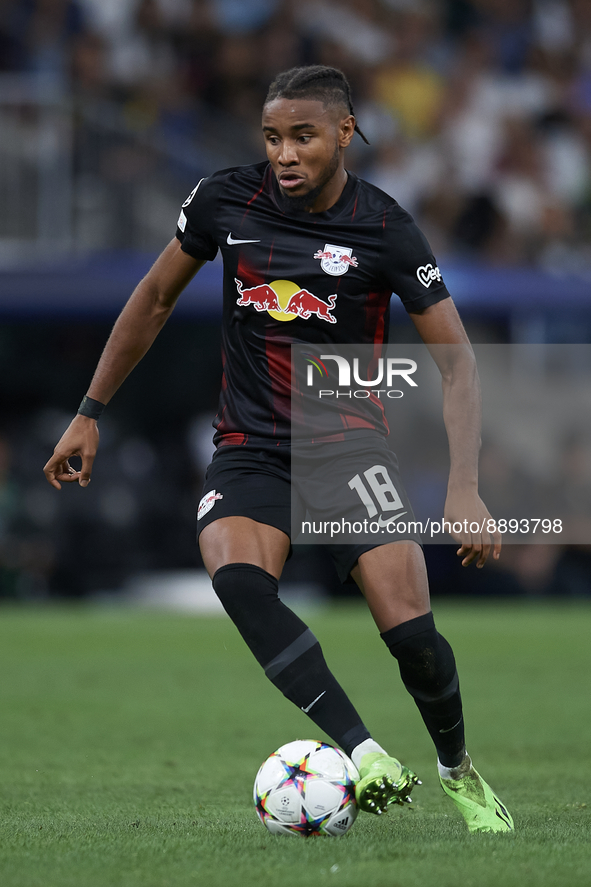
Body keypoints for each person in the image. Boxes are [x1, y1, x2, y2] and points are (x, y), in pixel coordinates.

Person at [44, 65, 513, 834]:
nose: (284, 153)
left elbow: (457, 362)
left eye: (301, 136)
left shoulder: (386, 228)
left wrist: (463, 486)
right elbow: (154, 298)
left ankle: (458, 770)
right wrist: (89, 410)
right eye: (272, 137)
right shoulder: (225, 200)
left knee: (414, 641)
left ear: (343, 133)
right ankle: (362, 752)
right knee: (236, 579)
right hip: (250, 448)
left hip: (350, 456)